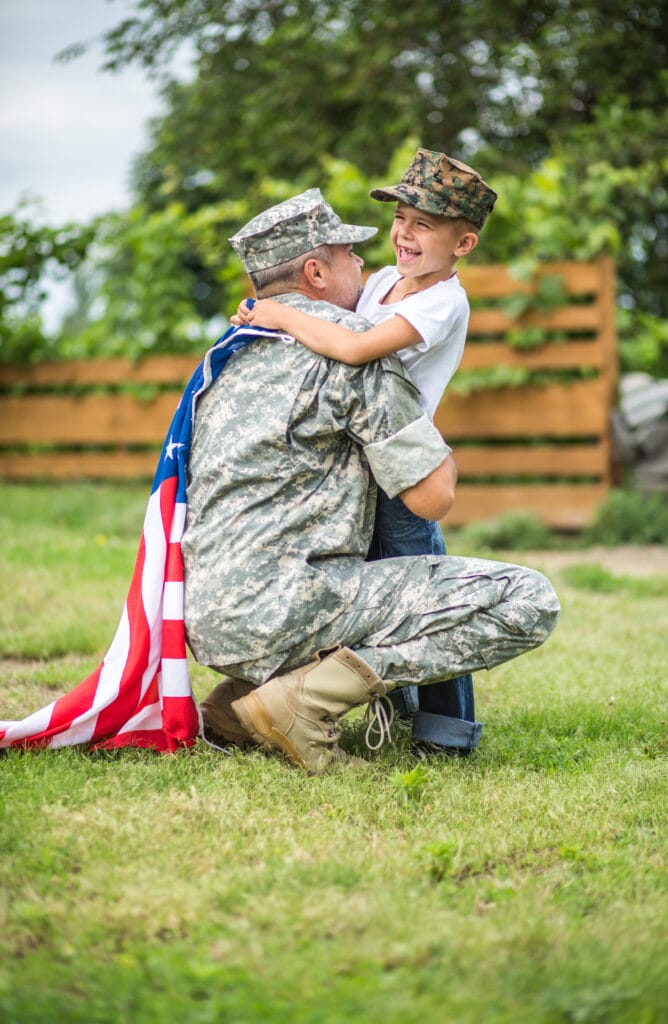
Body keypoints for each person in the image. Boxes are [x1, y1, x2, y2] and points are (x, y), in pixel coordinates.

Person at [183, 187, 560, 775]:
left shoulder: (228, 355)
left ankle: (234, 703)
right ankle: (303, 702)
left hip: (207, 620)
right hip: (288, 608)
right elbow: (433, 497)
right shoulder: (352, 355)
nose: (366, 264)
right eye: (348, 254)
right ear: (316, 270)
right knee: (528, 599)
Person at [231, 149, 497, 759]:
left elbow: (356, 351)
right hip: (358, 467)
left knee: (426, 594)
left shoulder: (441, 302)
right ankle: (389, 708)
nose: (404, 233)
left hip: (403, 472)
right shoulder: (381, 281)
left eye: (424, 225)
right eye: (402, 218)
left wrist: (278, 312)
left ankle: (446, 732)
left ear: (464, 243)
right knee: (369, 591)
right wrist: (272, 319)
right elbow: (321, 329)